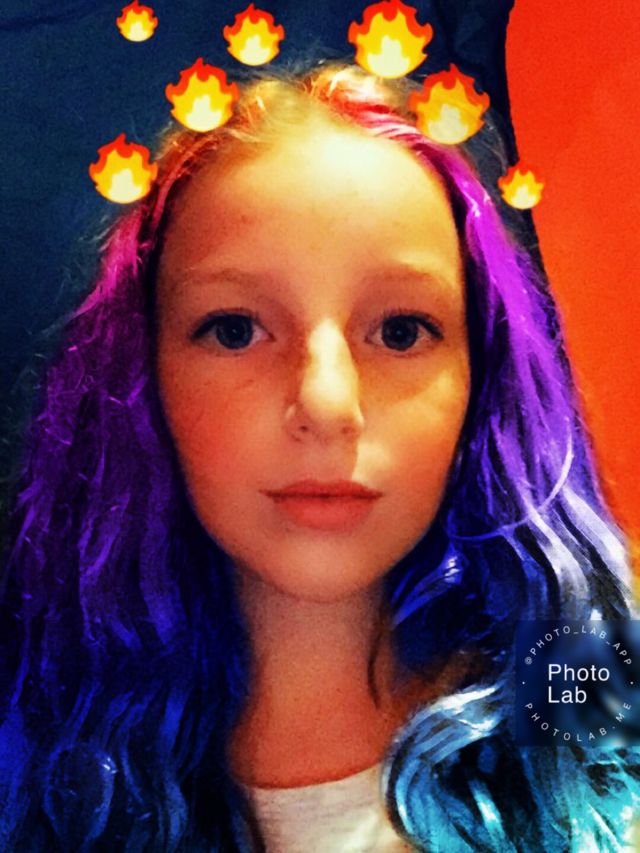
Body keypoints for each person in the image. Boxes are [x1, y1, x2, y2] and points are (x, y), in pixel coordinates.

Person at [0, 62, 638, 852]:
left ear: (484, 378)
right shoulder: (34, 768)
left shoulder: (602, 720)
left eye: (400, 330)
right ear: (143, 377)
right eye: (236, 329)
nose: (328, 405)